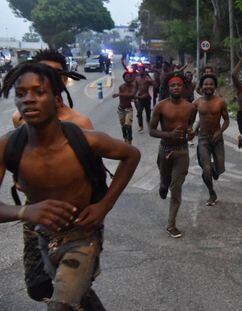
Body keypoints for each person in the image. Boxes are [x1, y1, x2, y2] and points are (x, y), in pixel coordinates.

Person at [0, 62, 140, 310]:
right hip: (44, 236)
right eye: (21, 94)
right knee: (71, 294)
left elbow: (131, 155)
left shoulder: (83, 138)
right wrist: (24, 211)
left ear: (56, 99)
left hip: (83, 235)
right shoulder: (8, 146)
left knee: (61, 305)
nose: (29, 100)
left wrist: (103, 206)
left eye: (38, 92)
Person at [149, 72, 195, 238]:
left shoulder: (190, 107)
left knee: (176, 188)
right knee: (166, 183)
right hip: (165, 150)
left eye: (179, 85)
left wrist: (190, 134)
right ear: (168, 88)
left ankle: (171, 224)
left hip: (182, 151)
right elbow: (151, 131)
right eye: (173, 85)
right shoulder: (161, 106)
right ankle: (162, 185)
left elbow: (190, 130)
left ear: (183, 88)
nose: (176, 88)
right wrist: (168, 135)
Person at [12, 49, 93, 130]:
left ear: (65, 79)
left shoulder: (80, 124)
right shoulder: (20, 118)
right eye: (43, 74)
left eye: (54, 74)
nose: (49, 79)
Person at [194, 74, 229, 206]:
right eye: (205, 84)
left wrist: (220, 131)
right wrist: (191, 130)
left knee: (219, 170)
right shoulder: (197, 103)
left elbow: (226, 120)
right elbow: (189, 119)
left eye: (211, 84)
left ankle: (214, 170)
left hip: (217, 139)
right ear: (201, 87)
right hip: (203, 139)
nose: (208, 86)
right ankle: (211, 192)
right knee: (207, 169)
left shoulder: (220, 102)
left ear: (215, 86)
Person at [112, 71, 137, 144]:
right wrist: (120, 94)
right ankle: (125, 138)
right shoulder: (121, 87)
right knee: (123, 126)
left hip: (129, 109)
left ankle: (130, 140)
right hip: (121, 109)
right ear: (124, 78)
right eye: (127, 77)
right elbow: (124, 96)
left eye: (130, 76)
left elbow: (132, 95)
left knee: (128, 125)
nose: (128, 78)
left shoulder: (133, 86)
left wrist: (119, 94)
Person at [134, 64, 154, 132]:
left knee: (148, 112)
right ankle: (140, 126)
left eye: (141, 70)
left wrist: (150, 80)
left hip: (147, 97)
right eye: (139, 70)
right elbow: (136, 88)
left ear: (144, 70)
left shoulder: (147, 78)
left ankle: (148, 124)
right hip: (140, 98)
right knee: (139, 112)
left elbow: (154, 84)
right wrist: (133, 96)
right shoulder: (137, 78)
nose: (139, 71)